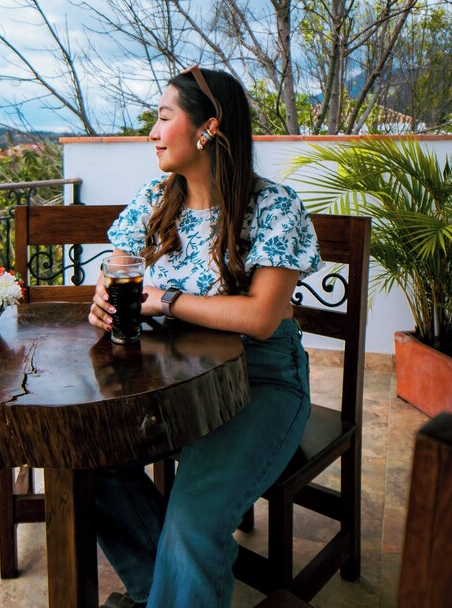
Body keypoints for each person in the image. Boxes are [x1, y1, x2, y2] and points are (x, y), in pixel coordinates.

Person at [89, 66, 320, 608]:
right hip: (170, 377)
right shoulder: (154, 198)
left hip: (260, 379)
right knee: (89, 465)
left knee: (193, 524)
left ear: (208, 128)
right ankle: (167, 596)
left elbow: (263, 317)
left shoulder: (274, 206)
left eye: (164, 117)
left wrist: (165, 298)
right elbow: (117, 273)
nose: (151, 132)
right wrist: (103, 300)